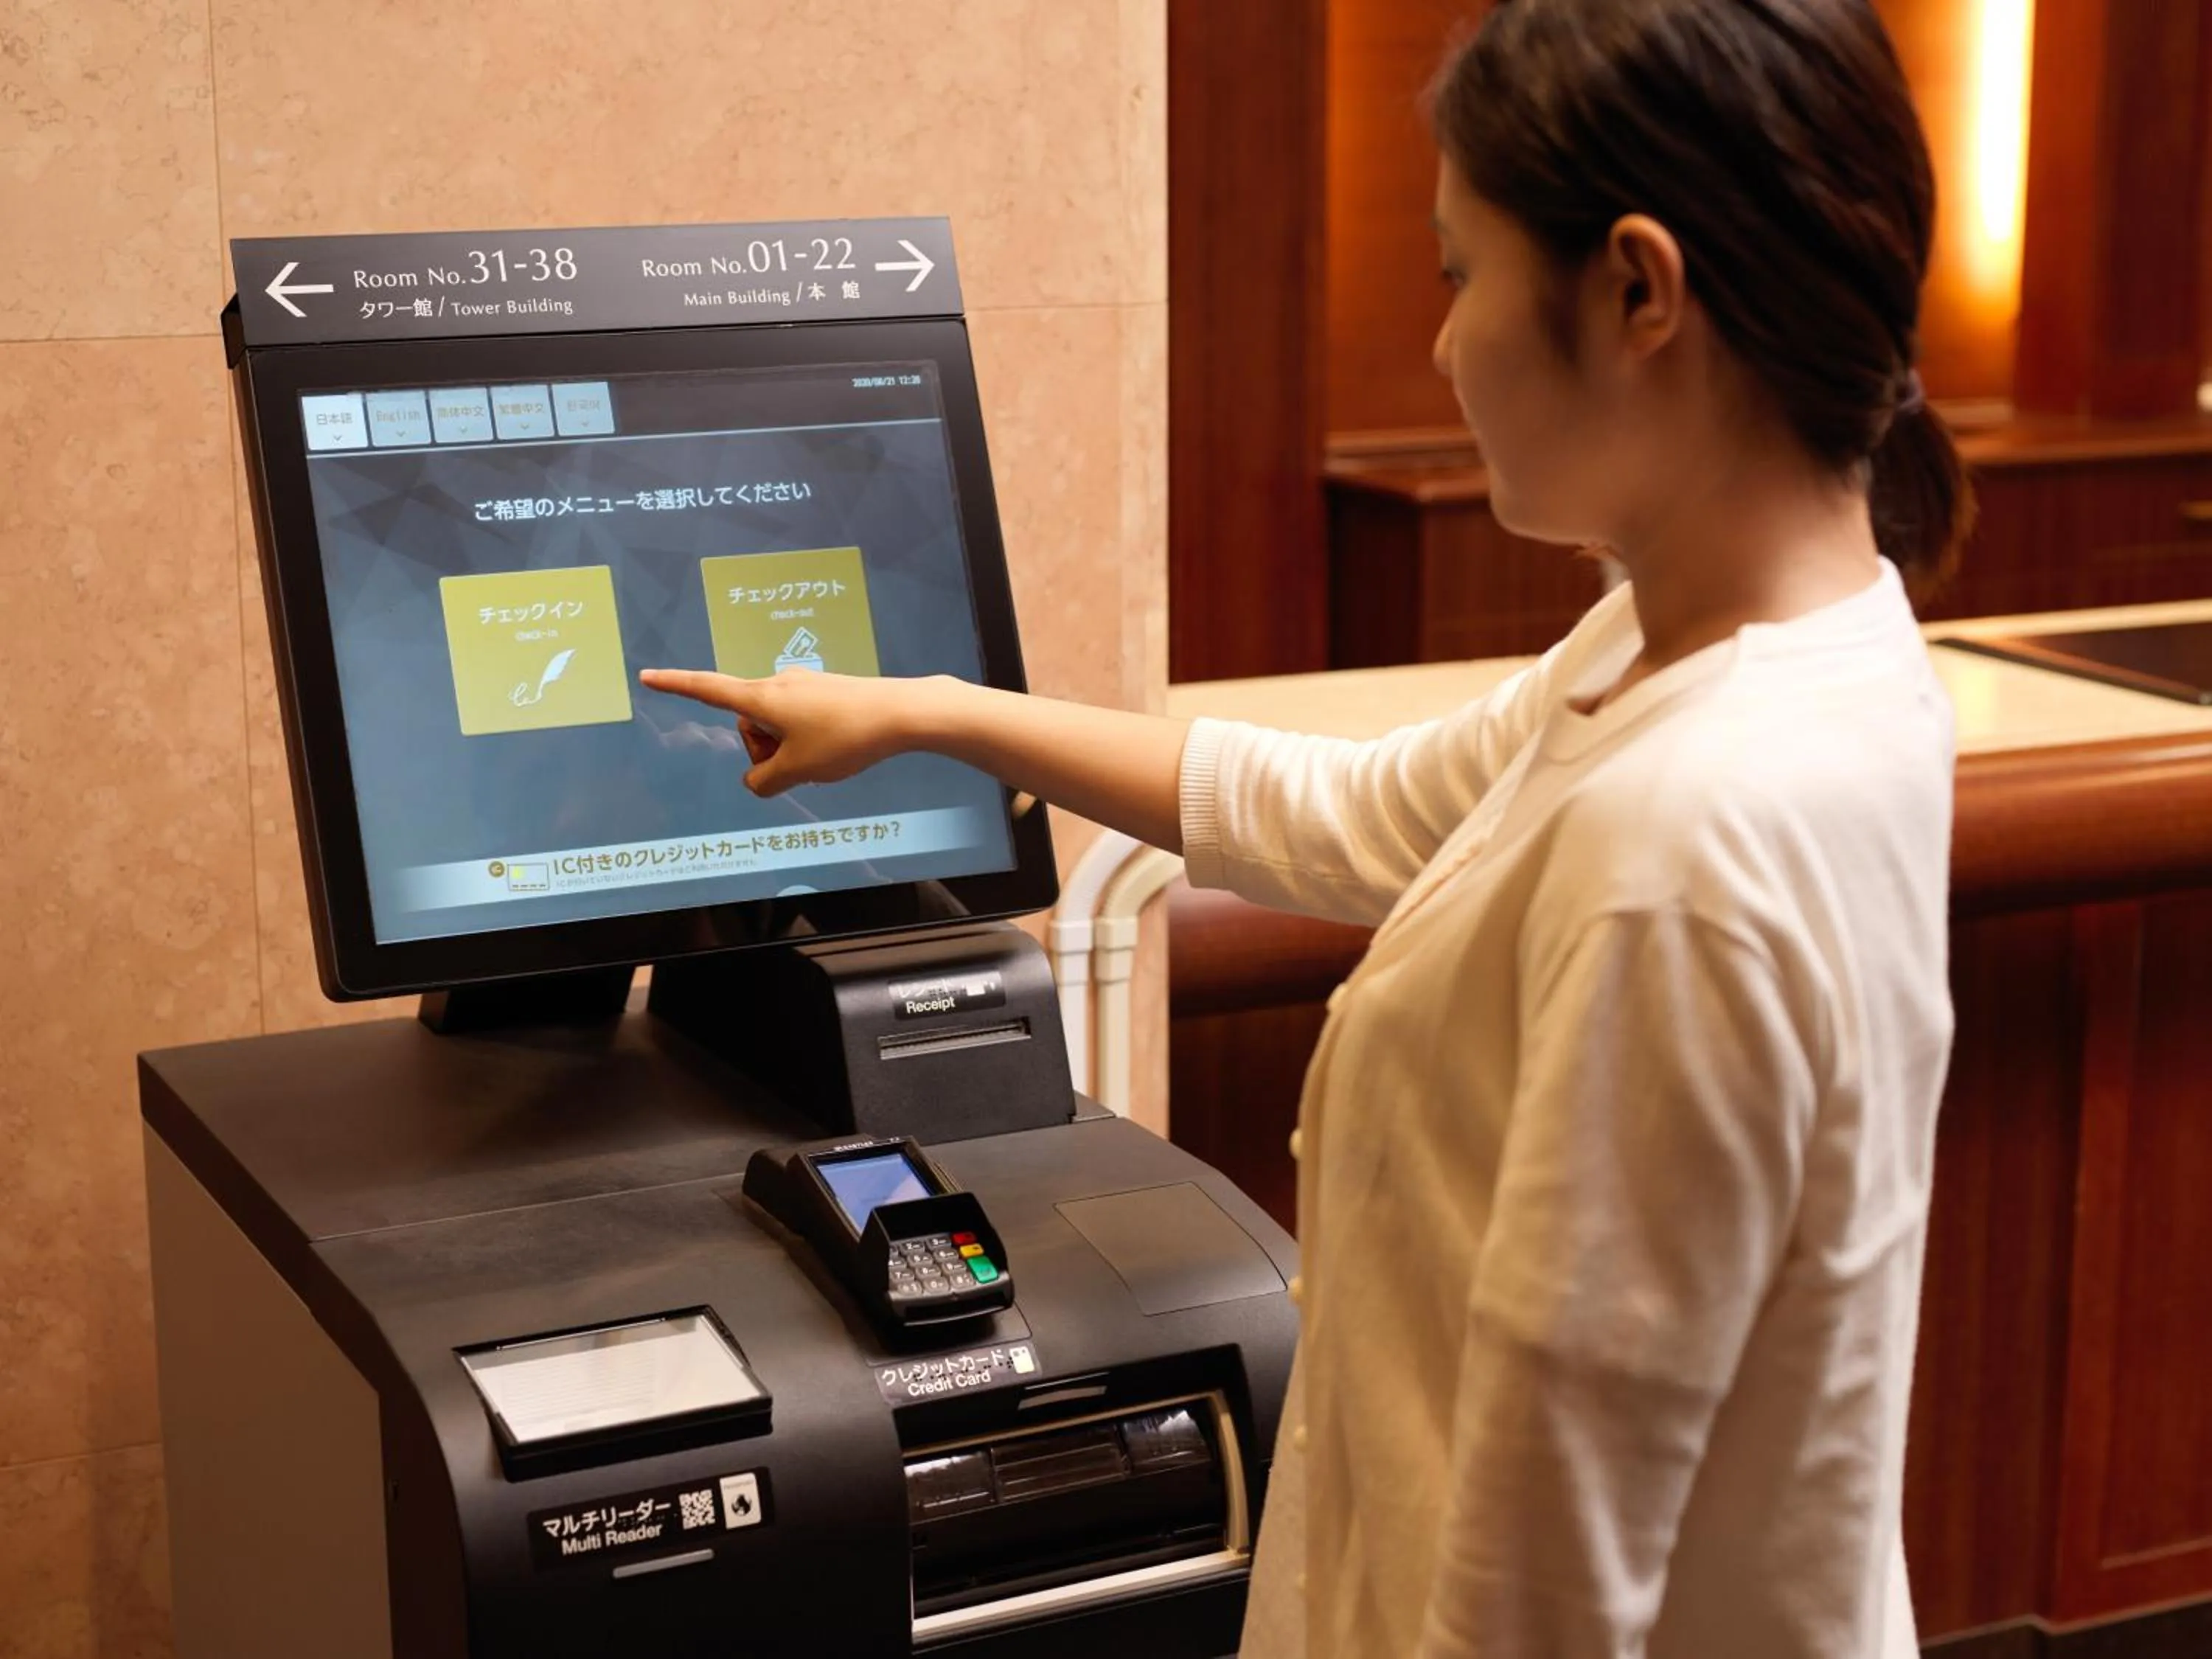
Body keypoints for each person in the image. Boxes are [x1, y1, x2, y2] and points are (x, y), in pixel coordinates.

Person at [644, 1, 1966, 1650]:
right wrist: (929, 713)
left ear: (1639, 290)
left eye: (1457, 274)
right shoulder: (1742, 651)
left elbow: (1545, 1590)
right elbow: (1348, 813)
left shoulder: (1688, 843)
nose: (1442, 345)